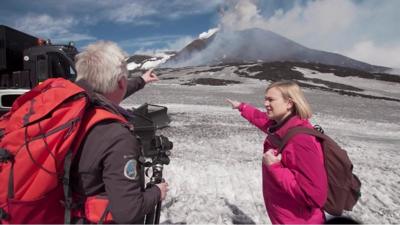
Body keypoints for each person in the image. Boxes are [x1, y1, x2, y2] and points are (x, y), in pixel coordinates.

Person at [70, 41, 169, 224]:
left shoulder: (74, 108)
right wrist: (156, 192)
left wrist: (141, 80)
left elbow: (109, 92)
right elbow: (128, 213)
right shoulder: (117, 136)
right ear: (121, 82)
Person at [226, 81, 327, 224]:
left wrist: (275, 168)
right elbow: (262, 120)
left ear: (289, 103)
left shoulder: (301, 140)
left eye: (271, 99)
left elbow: (314, 196)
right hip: (285, 217)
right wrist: (241, 107)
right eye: (265, 99)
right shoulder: (282, 126)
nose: (265, 103)